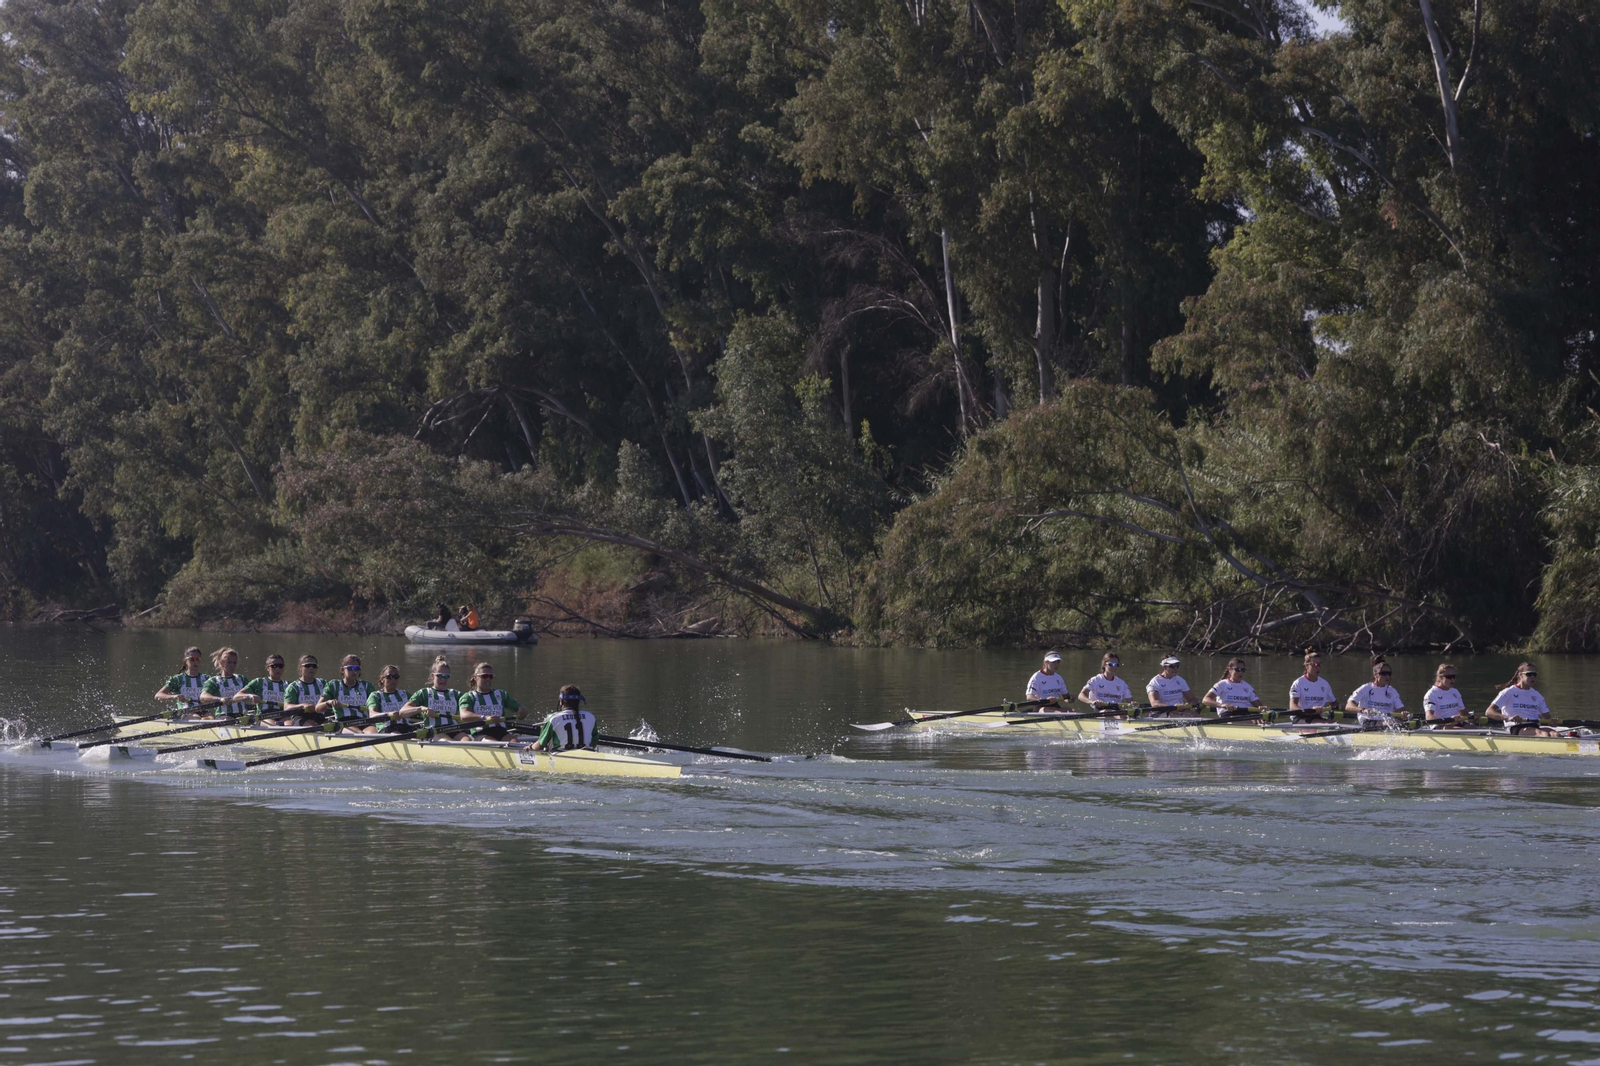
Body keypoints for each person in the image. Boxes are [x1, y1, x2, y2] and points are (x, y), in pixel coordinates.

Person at [1487, 662, 1559, 736]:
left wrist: (1552, 721)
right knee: (1544, 734)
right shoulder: (1508, 692)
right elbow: (1489, 712)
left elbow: (1547, 717)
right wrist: (1507, 718)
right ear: (1521, 675)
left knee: (1556, 734)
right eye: (1529, 674)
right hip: (1516, 727)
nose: (1533, 677)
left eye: (1535, 674)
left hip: (1535, 726)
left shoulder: (1537, 695)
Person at [458, 661, 523, 741]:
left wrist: (522, 711)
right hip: (481, 733)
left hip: (501, 731)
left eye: (490, 676)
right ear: (476, 678)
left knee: (515, 742)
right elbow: (464, 716)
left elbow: (521, 709)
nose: (488, 678)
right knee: (495, 744)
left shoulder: (501, 694)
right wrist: (485, 717)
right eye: (484, 676)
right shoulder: (469, 697)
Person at [400, 656, 461, 738]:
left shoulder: (456, 694)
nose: (443, 679)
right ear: (432, 676)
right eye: (440, 676)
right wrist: (421, 708)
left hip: (454, 729)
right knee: (446, 741)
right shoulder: (423, 693)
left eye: (446, 676)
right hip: (434, 731)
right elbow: (402, 712)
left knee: (467, 741)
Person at [319, 654, 376, 734]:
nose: (354, 671)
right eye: (350, 668)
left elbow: (376, 707)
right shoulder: (334, 685)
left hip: (365, 722)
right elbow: (318, 708)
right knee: (359, 734)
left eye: (357, 668)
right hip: (344, 723)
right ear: (342, 670)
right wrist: (328, 702)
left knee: (374, 734)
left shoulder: (367, 686)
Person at [1346, 656, 1407, 729]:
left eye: (1389, 673)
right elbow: (1348, 706)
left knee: (1406, 723)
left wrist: (1404, 714)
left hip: (1388, 722)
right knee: (1392, 724)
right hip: (1368, 721)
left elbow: (1402, 709)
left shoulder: (1392, 691)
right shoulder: (1366, 688)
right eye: (1384, 673)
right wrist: (1363, 710)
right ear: (1375, 675)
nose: (1387, 676)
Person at [535, 685, 598, 751]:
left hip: (561, 755)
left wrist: (530, 747)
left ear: (561, 701)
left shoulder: (554, 718)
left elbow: (540, 745)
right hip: (586, 755)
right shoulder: (591, 717)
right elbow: (594, 742)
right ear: (579, 701)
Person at [1288, 648, 1337, 723]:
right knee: (1324, 723)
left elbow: (1334, 703)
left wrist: (1341, 706)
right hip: (1300, 717)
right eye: (1315, 664)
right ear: (1306, 666)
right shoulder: (1298, 683)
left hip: (1317, 717)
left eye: (1320, 664)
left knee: (1335, 723)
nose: (1318, 667)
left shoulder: (1325, 684)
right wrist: (1310, 711)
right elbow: (1292, 706)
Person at [237, 654, 290, 723]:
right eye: (274, 666)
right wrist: (250, 696)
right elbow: (237, 696)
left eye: (280, 666)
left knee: (290, 724)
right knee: (273, 724)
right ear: (268, 668)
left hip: (283, 715)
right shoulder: (259, 682)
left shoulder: (289, 685)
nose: (278, 669)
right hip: (264, 716)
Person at [155, 646, 209, 713]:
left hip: (203, 711)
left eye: (197, 659)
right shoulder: (178, 679)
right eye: (192, 659)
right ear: (186, 661)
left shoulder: (207, 679)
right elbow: (158, 695)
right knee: (196, 717)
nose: (195, 662)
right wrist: (175, 696)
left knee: (210, 718)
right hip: (185, 711)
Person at [199, 646, 249, 718]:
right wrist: (220, 699)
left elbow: (255, 692)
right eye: (229, 662)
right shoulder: (214, 681)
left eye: (234, 663)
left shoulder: (241, 679)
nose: (232, 665)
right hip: (224, 716)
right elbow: (203, 697)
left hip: (242, 716)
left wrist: (251, 696)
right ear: (222, 663)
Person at [280, 655, 324, 726]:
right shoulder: (294, 687)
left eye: (314, 666)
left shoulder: (323, 683)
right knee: (313, 725)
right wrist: (302, 705)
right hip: (300, 717)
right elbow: (286, 707)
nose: (311, 668)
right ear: (300, 667)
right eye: (308, 665)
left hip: (319, 716)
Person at [1424, 663, 1471, 728]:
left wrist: (1474, 718)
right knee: (1460, 729)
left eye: (1454, 676)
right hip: (1440, 725)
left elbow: (1464, 714)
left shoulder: (1455, 692)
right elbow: (1429, 717)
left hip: (1456, 723)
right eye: (1449, 677)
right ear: (1440, 677)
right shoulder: (1432, 694)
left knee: (1473, 728)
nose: (1452, 679)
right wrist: (1448, 722)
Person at [365, 665, 410, 732]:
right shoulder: (376, 695)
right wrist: (388, 714)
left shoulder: (404, 694)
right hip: (387, 728)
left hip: (406, 726)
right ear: (382, 679)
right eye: (389, 677)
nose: (393, 680)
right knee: (395, 733)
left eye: (396, 677)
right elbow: (372, 714)